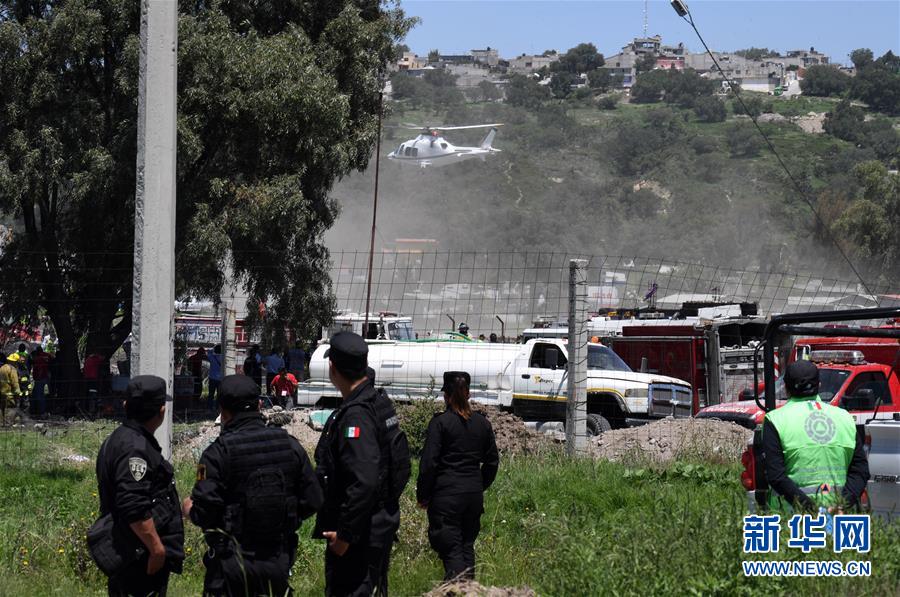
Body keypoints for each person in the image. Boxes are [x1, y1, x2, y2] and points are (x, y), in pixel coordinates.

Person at [184, 375, 323, 596]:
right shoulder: (290, 445)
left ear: (223, 410)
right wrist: (285, 519)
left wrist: (189, 509)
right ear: (259, 405)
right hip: (277, 561)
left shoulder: (216, 454)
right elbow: (313, 499)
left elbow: (205, 513)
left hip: (232, 565)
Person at [313, 332, 404, 597]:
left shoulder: (358, 415)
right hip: (377, 524)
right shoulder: (378, 402)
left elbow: (363, 480)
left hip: (360, 537)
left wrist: (345, 536)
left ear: (333, 368)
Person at [94, 375, 184, 596]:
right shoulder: (135, 448)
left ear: (126, 405)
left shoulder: (124, 439)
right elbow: (133, 505)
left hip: (132, 550)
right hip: (138, 556)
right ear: (161, 411)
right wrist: (156, 548)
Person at [417, 371, 499, 582]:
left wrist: (424, 495)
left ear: (447, 396)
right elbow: (492, 462)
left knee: (451, 549)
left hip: (447, 497)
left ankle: (457, 591)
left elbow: (428, 464)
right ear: (469, 393)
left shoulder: (441, 423)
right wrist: (479, 485)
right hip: (473, 496)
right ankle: (468, 590)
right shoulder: (482, 424)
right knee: (466, 546)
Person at [763, 360, 869, 512]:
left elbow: (776, 476)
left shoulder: (775, 420)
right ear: (819, 385)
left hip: (793, 518)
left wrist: (812, 510)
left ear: (786, 388)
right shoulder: (844, 417)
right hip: (840, 516)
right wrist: (841, 505)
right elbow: (860, 470)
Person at [30, 346, 51, 416]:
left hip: (40, 379)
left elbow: (40, 369)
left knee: (39, 396)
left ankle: (41, 412)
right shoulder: (47, 355)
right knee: (36, 395)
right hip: (46, 377)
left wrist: (38, 378)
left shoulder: (38, 359)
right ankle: (35, 410)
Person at [1, 353, 21, 426]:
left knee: (2, 408)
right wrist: (17, 393)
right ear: (15, 361)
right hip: (9, 394)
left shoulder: (2, 367)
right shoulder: (12, 369)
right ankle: (7, 424)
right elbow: (15, 382)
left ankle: (1, 423)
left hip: (1, 392)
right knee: (10, 408)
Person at [205, 344, 223, 412]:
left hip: (212, 378)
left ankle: (209, 408)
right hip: (220, 379)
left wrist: (213, 348)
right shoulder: (223, 358)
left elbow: (208, 352)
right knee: (219, 394)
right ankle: (218, 408)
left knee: (211, 394)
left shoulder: (212, 357)